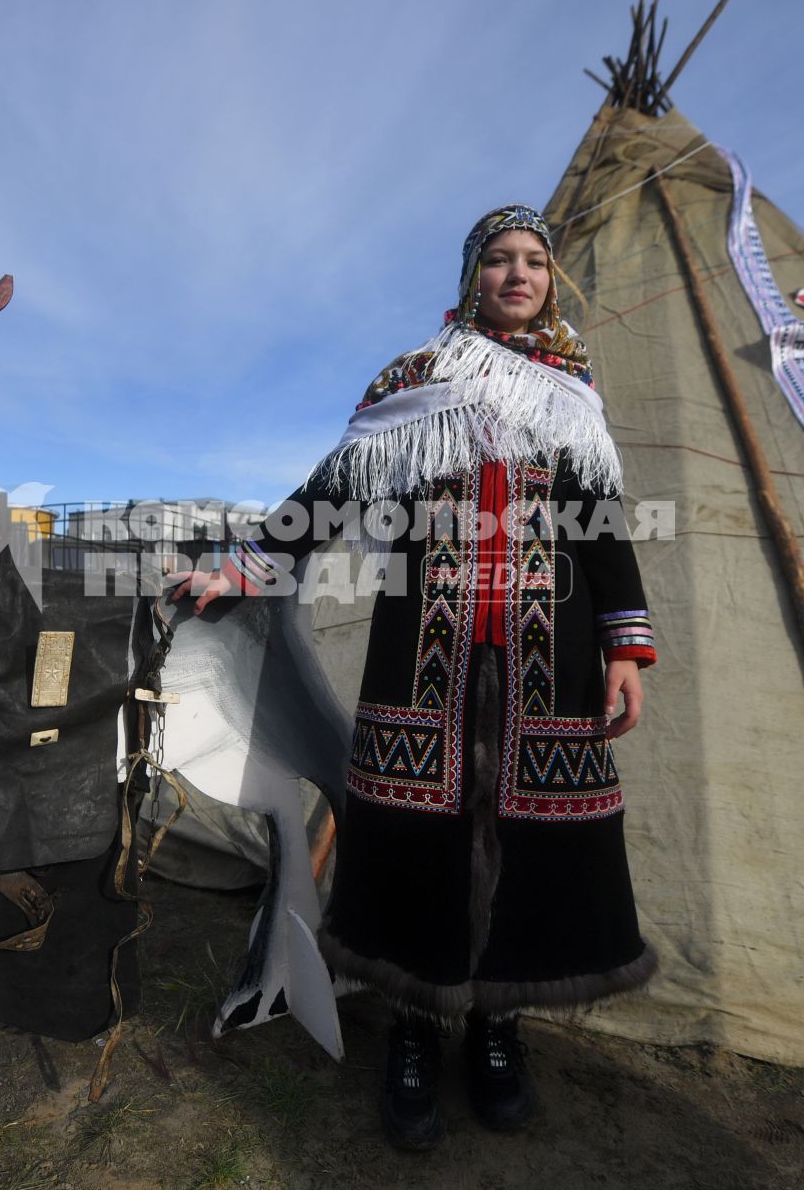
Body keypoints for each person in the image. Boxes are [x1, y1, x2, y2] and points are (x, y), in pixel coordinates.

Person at [169, 204, 656, 1150]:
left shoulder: (571, 391)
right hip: (419, 659)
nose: (519, 276)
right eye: (500, 261)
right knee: (413, 835)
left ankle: (498, 1024)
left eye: (534, 263)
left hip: (544, 660)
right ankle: (415, 1029)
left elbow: (602, 531)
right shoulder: (414, 381)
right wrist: (238, 571)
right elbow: (329, 494)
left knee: (526, 842)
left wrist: (626, 649)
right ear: (472, 275)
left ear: (552, 281)